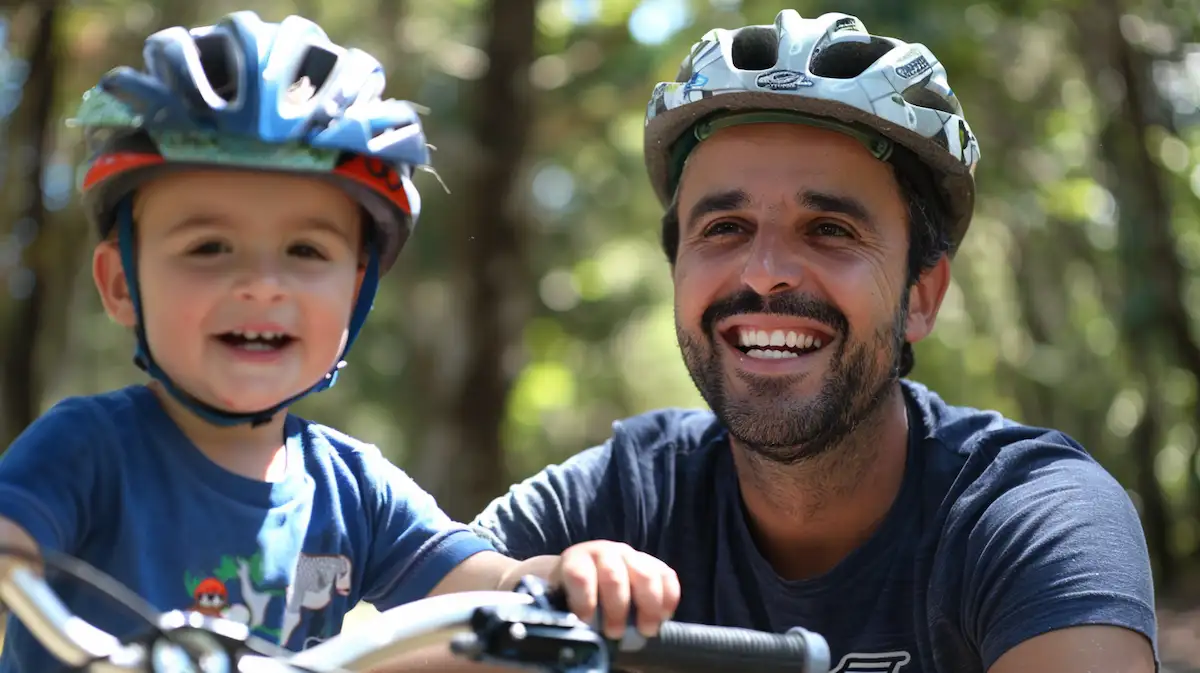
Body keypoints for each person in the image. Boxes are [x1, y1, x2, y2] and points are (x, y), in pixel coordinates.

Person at [473, 10, 1157, 673]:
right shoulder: (616, 499)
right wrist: (533, 591)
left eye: (830, 228)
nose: (766, 274)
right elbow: (392, 629)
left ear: (921, 294)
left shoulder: (1034, 517)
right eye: (724, 228)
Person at [0, 12, 679, 673]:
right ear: (121, 283)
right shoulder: (84, 452)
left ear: (358, 290)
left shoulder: (352, 490)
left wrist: (570, 573)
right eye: (208, 247)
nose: (263, 284)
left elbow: (489, 585)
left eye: (304, 249)